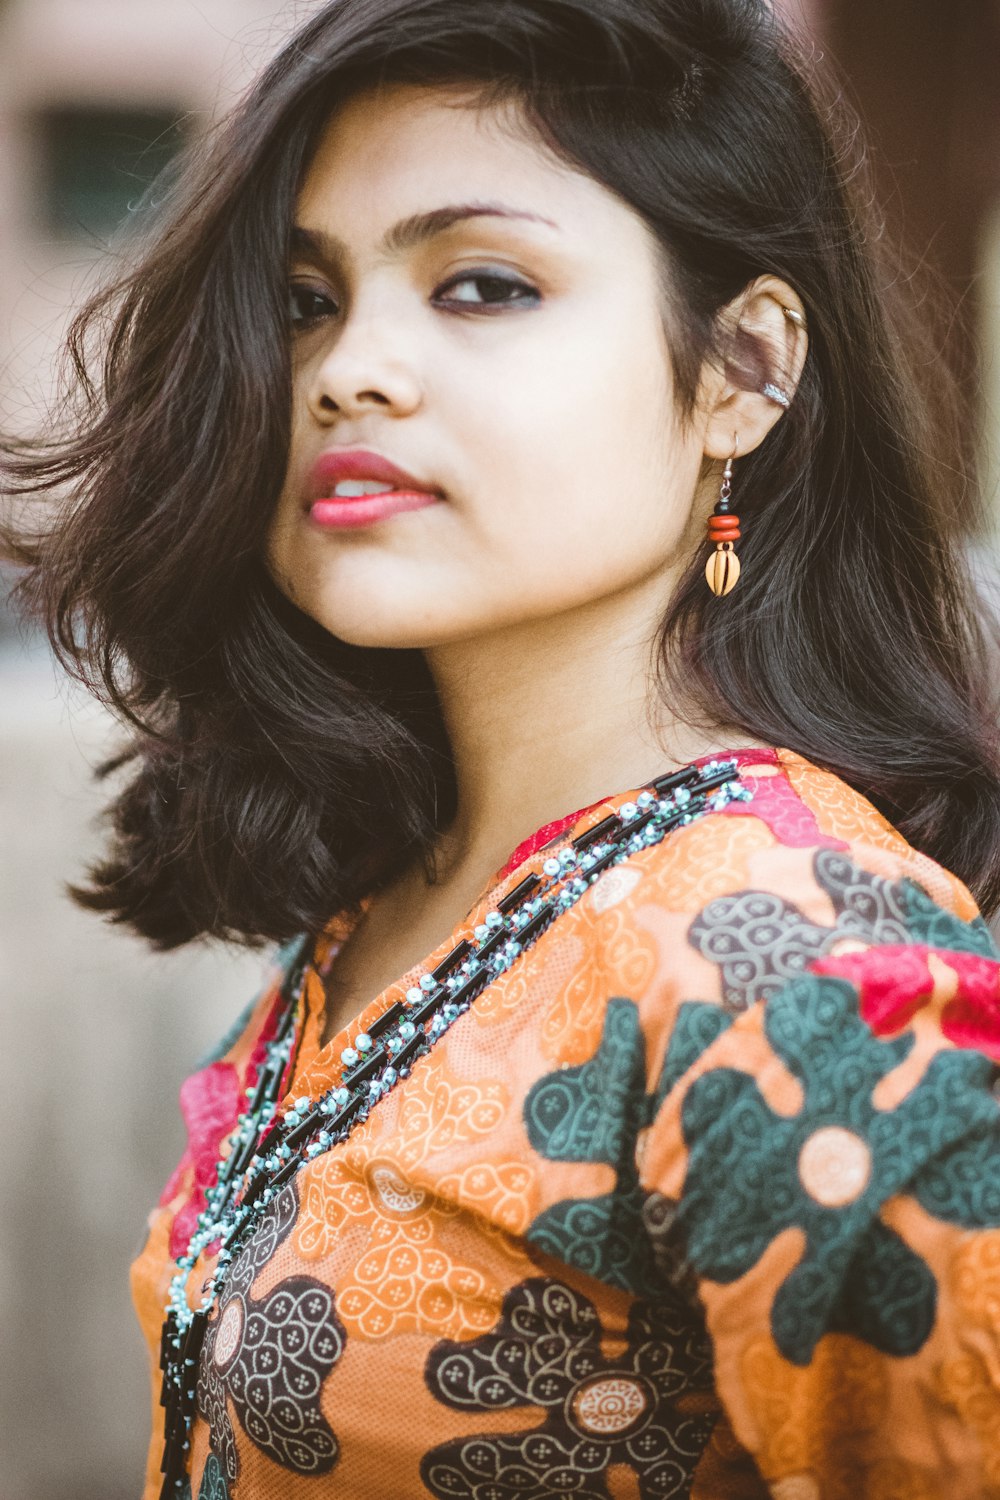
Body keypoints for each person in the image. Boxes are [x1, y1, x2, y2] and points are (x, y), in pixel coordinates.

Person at [4, 0, 1000, 1494]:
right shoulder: (400, 899)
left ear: (742, 370)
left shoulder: (796, 970)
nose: (350, 370)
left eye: (479, 285)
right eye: (304, 301)